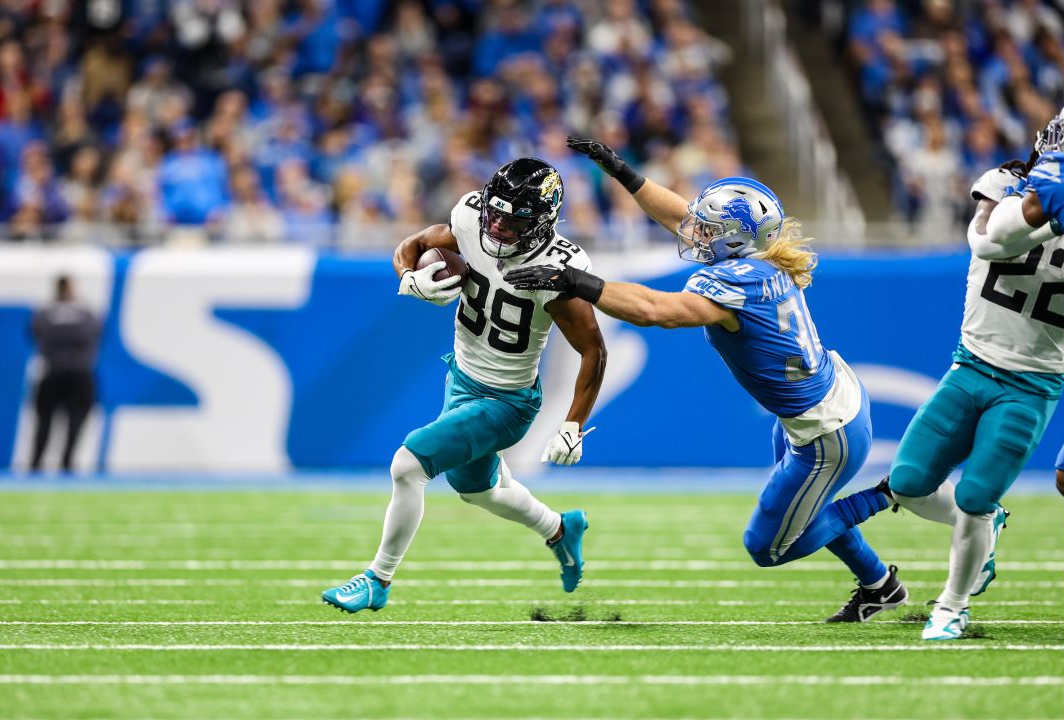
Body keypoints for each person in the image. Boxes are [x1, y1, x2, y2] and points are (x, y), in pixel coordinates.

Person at [507, 138, 905, 623]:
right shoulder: (759, 259)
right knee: (803, 507)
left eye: (709, 228)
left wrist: (576, 281)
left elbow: (659, 312)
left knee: (770, 546)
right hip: (827, 403)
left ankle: (891, 491)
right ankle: (880, 586)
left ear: (735, 239)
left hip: (825, 430)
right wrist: (622, 171)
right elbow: (682, 217)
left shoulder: (735, 281)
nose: (693, 231)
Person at [321, 158, 608, 613]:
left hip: (507, 401)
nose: (496, 227)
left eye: (513, 222)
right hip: (460, 378)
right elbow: (413, 243)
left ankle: (378, 578)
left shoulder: (556, 268)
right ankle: (559, 529)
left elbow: (594, 350)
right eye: (494, 214)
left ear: (543, 223)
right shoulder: (472, 218)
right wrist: (409, 276)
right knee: (478, 489)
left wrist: (573, 425)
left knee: (407, 465)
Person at [884, 109, 1064, 640]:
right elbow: (987, 242)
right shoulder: (1004, 183)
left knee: (973, 497)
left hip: (1032, 384)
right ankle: (989, 528)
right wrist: (1055, 211)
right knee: (909, 483)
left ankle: (952, 604)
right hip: (972, 365)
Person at [29, 275, 103, 473]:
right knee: (75, 421)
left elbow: (34, 333)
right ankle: (67, 465)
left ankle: (36, 465)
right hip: (79, 373)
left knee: (45, 423)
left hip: (52, 371)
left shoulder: (45, 313)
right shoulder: (85, 313)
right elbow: (98, 333)